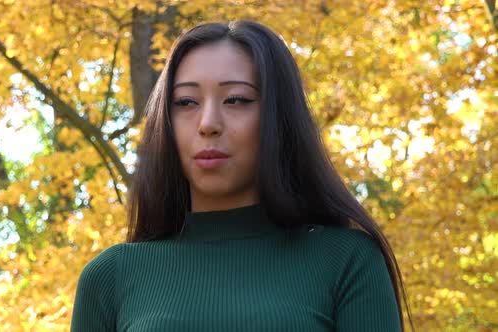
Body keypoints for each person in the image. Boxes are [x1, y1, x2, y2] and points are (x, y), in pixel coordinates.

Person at [71, 20, 413, 331]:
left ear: (278, 118)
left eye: (236, 100)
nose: (207, 124)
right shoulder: (110, 278)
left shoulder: (346, 261)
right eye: (186, 102)